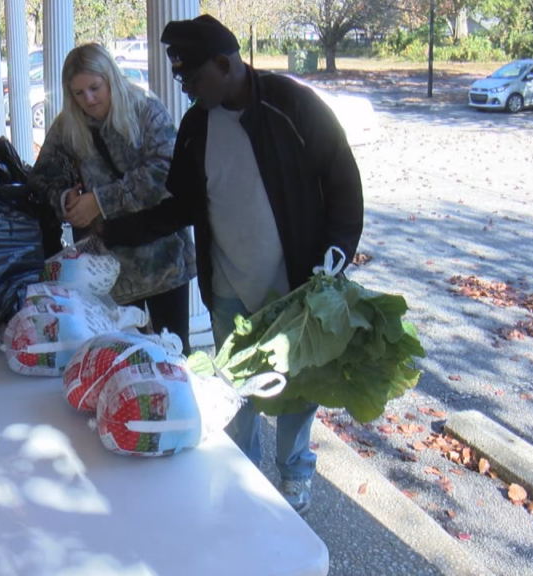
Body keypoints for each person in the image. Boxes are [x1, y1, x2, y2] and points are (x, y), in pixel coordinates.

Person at [95, 15, 364, 514]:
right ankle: (242, 472)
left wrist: (337, 254)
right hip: (228, 288)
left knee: (297, 387)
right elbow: (180, 208)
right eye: (182, 80)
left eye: (193, 79)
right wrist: (115, 230)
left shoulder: (293, 106)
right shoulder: (197, 126)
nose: (188, 90)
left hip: (294, 285)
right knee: (234, 387)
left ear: (225, 63)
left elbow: (343, 180)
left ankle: (294, 477)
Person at [30, 43, 196, 352]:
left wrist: (100, 200)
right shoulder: (68, 124)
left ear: (111, 79)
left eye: (94, 88)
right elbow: (40, 178)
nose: (88, 99)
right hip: (106, 270)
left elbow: (165, 171)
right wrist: (66, 199)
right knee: (120, 360)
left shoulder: (145, 109)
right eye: (78, 93)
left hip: (161, 260)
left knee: (175, 356)